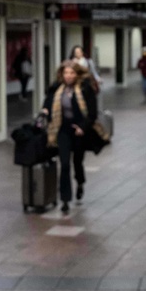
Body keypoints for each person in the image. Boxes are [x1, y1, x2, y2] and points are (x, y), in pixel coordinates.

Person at [43, 61, 98, 214]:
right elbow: (47, 103)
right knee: (65, 163)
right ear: (62, 74)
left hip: (79, 130)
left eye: (72, 73)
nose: (68, 76)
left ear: (77, 74)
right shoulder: (56, 88)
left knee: (77, 162)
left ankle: (80, 182)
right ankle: (65, 199)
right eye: (66, 73)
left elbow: (92, 114)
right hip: (63, 130)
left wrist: (82, 127)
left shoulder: (85, 88)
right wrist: (46, 111)